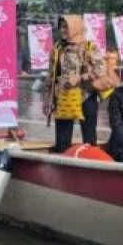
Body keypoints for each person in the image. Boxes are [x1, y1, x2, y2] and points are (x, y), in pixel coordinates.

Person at [45, 15, 104, 152]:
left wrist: (80, 78)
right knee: (62, 142)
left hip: (86, 97)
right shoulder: (57, 48)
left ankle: (89, 167)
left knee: (89, 140)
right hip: (64, 98)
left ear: (75, 27)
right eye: (61, 27)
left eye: (66, 27)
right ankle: (63, 168)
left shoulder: (89, 46)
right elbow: (51, 76)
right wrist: (47, 99)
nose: (63, 30)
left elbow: (100, 69)